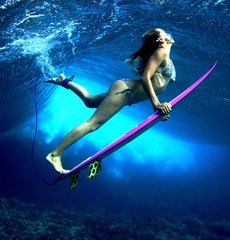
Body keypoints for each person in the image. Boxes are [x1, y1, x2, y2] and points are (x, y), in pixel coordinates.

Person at [45, 28, 177, 174]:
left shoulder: (164, 53)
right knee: (93, 124)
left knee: (90, 101)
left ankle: (63, 81)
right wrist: (156, 104)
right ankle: (55, 154)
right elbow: (146, 77)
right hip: (125, 92)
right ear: (159, 39)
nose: (168, 34)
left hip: (125, 92)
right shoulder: (162, 51)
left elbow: (156, 81)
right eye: (165, 33)